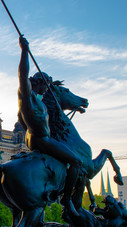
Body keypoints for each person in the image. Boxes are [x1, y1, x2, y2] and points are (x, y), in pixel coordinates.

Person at [17, 36, 82, 217]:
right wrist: (24, 51)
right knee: (76, 161)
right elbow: (22, 74)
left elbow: (21, 119)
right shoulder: (27, 96)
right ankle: (67, 202)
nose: (47, 89)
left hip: (35, 138)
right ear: (37, 82)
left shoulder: (38, 102)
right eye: (45, 84)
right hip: (42, 141)